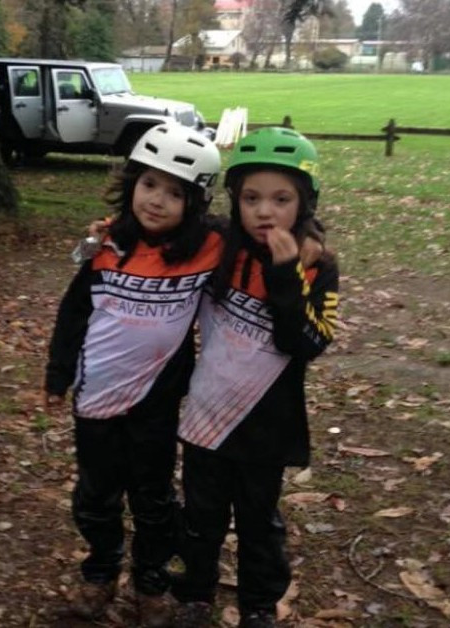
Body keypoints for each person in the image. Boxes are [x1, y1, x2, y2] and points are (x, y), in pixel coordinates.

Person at [43, 123, 223, 628]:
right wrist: (57, 374)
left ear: (195, 202)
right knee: (96, 494)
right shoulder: (108, 244)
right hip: (96, 395)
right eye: (149, 184)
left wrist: (306, 241)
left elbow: (258, 232)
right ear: (131, 183)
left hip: (156, 402)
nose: (157, 200)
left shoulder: (210, 246)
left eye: (175, 193)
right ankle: (100, 573)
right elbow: (74, 312)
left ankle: (151, 583)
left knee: (153, 497)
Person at [173, 127, 340, 628]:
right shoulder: (218, 246)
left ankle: (259, 607)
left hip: (268, 424)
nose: (265, 211)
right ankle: (195, 594)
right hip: (206, 415)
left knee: (258, 522)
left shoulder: (317, 267)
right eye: (251, 198)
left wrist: (286, 275)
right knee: (200, 515)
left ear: (304, 202)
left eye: (281, 199)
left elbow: (305, 344)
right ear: (235, 200)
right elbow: (164, 233)